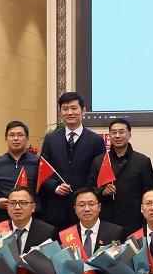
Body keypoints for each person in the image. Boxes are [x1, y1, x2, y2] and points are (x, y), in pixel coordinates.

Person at [39, 92, 105, 230]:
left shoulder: (96, 140)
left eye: (74, 108)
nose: (69, 112)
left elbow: (99, 173)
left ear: (83, 110)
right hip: (55, 210)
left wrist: (84, 193)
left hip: (84, 211)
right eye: (65, 109)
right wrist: (56, 187)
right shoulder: (51, 139)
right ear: (60, 112)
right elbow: (43, 170)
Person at [87, 117, 153, 235]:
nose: (117, 136)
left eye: (121, 132)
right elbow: (89, 190)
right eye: (113, 132)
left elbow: (149, 193)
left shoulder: (142, 161)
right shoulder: (99, 161)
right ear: (109, 135)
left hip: (134, 222)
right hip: (106, 222)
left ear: (129, 134)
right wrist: (102, 191)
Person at [0, 121, 40, 225]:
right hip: (3, 219)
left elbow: (45, 190)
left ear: (27, 139)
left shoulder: (38, 162)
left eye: (20, 135)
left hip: (33, 219)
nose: (16, 138)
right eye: (12, 135)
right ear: (6, 139)